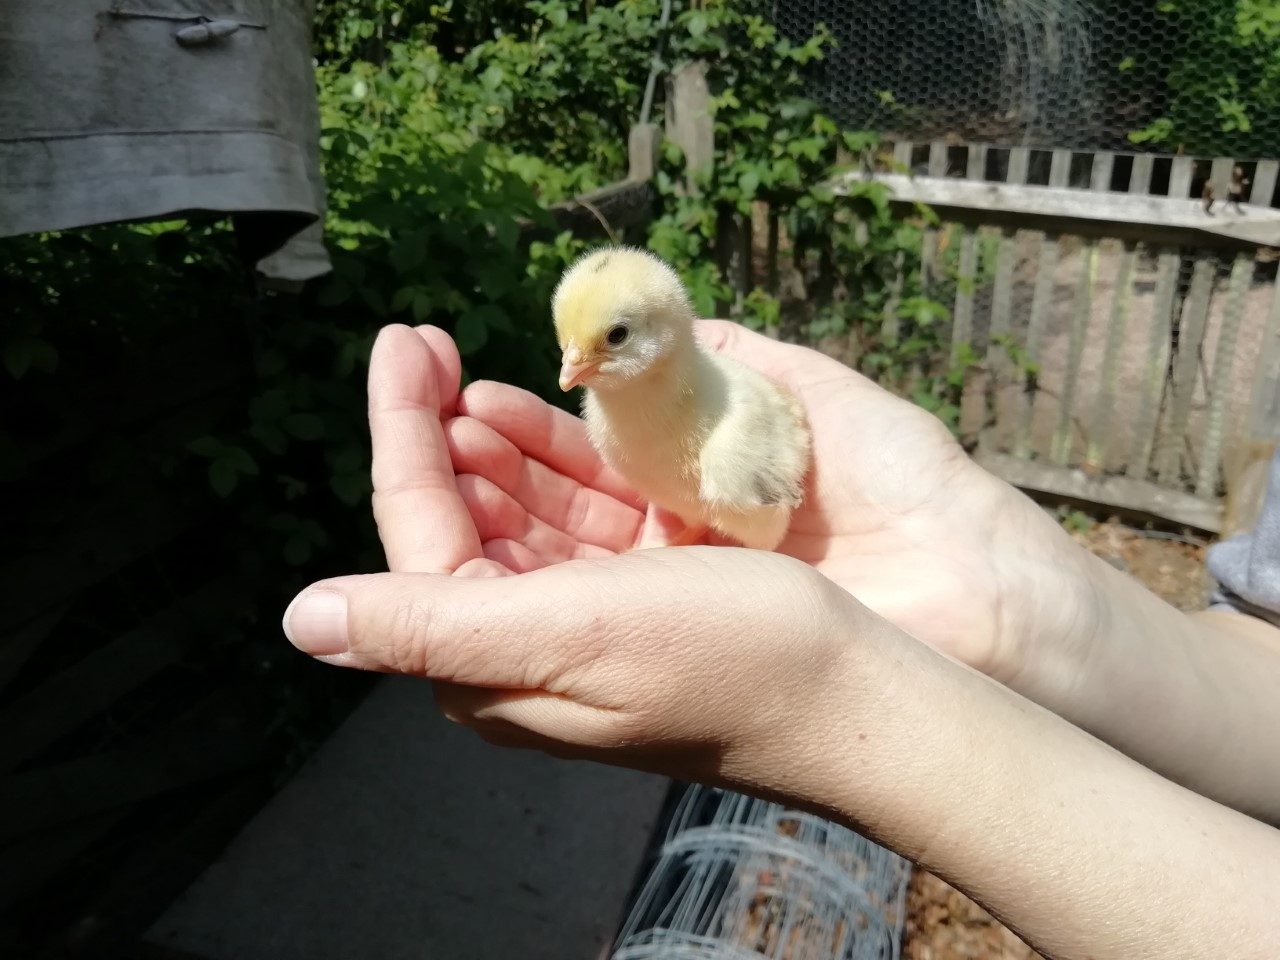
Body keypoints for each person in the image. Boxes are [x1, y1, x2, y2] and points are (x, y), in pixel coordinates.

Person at [282, 321, 1280, 958]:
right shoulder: (638, 406)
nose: (573, 369)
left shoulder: (699, 413)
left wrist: (839, 704)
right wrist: (1018, 606)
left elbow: (747, 473)